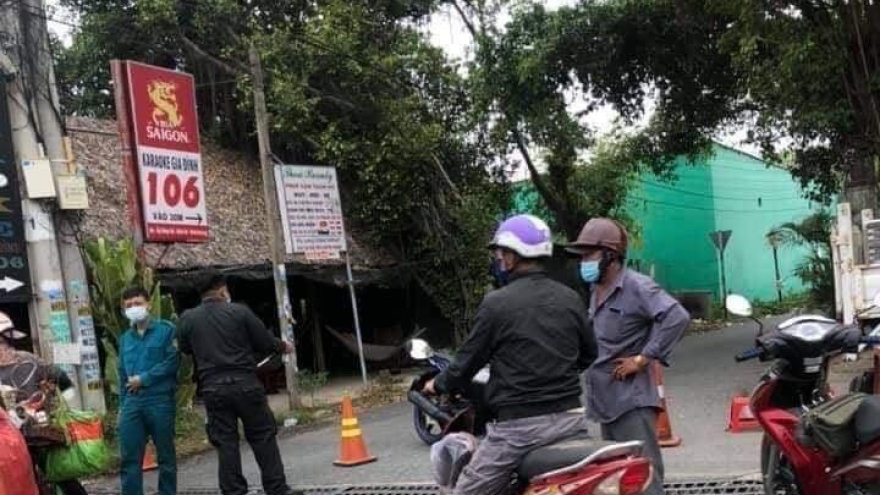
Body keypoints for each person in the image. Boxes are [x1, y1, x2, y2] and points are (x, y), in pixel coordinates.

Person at [424, 214, 597, 495]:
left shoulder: (497, 304)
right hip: (571, 421)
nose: (499, 260)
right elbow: (590, 353)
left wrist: (438, 384)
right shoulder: (570, 298)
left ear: (513, 256)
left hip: (519, 430)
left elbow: (467, 362)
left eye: (501, 253)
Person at [566, 218, 690, 495]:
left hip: (631, 402)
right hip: (607, 402)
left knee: (643, 479)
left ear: (611, 256)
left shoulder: (638, 286)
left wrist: (642, 359)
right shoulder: (596, 290)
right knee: (618, 480)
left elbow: (677, 317)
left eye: (589, 255)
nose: (583, 262)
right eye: (582, 256)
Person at [176, 272, 300, 495]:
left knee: (225, 442)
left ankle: (233, 491)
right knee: (263, 436)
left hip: (213, 388)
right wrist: (283, 346)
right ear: (222, 289)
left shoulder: (188, 318)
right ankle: (276, 489)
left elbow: (185, 348)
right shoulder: (240, 312)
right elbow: (264, 342)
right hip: (246, 384)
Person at [116, 287, 179, 495]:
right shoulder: (125, 338)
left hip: (159, 400)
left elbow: (172, 362)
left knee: (165, 456)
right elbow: (122, 374)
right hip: (132, 402)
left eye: (137, 303)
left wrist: (144, 379)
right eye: (128, 305)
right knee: (129, 458)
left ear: (148, 304)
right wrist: (122, 407)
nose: (133, 308)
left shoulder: (166, 330)